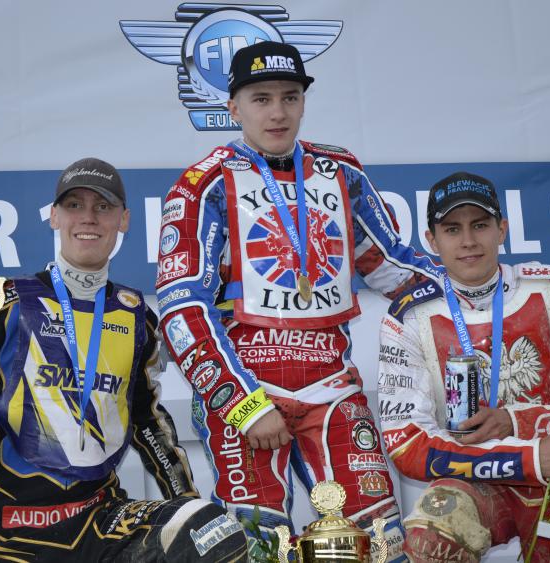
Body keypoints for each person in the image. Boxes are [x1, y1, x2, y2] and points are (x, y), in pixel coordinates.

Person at [155, 40, 442, 561]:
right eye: (261, 99)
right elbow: (181, 310)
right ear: (233, 107)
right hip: (248, 391)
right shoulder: (204, 185)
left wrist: (481, 290)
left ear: (304, 101)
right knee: (258, 546)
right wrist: (243, 405)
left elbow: (392, 267)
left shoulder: (340, 171)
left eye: (290, 97)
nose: (278, 112)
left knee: (380, 541)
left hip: (331, 388)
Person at [0, 157, 248, 562]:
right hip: (12, 532)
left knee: (211, 532)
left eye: (103, 206)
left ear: (123, 220)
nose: (88, 217)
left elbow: (146, 422)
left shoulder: (136, 315)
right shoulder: (3, 302)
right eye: (74, 205)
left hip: (98, 521)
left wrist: (185, 503)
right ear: (54, 216)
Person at [377, 171, 550, 562]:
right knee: (433, 538)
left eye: (480, 225)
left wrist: (516, 423)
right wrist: (526, 460)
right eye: (452, 229)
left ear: (503, 230)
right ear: (431, 240)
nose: (468, 241)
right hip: (476, 482)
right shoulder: (409, 316)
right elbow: (407, 445)